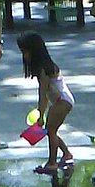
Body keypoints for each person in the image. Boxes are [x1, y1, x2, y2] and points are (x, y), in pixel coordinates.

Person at [16, 32, 74, 176]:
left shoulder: (43, 70)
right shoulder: (45, 67)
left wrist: (41, 115)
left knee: (50, 130)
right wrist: (41, 112)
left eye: (25, 51)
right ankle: (66, 154)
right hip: (62, 100)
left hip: (62, 101)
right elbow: (46, 95)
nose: (24, 56)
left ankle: (52, 163)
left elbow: (43, 95)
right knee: (50, 130)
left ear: (34, 51)